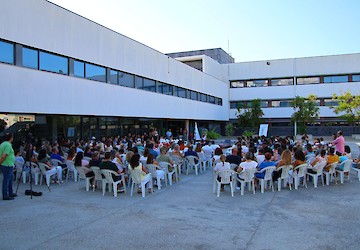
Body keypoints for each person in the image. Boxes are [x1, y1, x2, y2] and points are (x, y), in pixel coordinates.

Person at [0, 133, 17, 200]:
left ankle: (10, 192)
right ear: (10, 138)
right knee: (6, 180)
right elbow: (4, 155)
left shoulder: (3, 144)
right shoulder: (7, 145)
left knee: (10, 179)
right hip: (7, 165)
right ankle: (5, 195)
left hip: (9, 164)